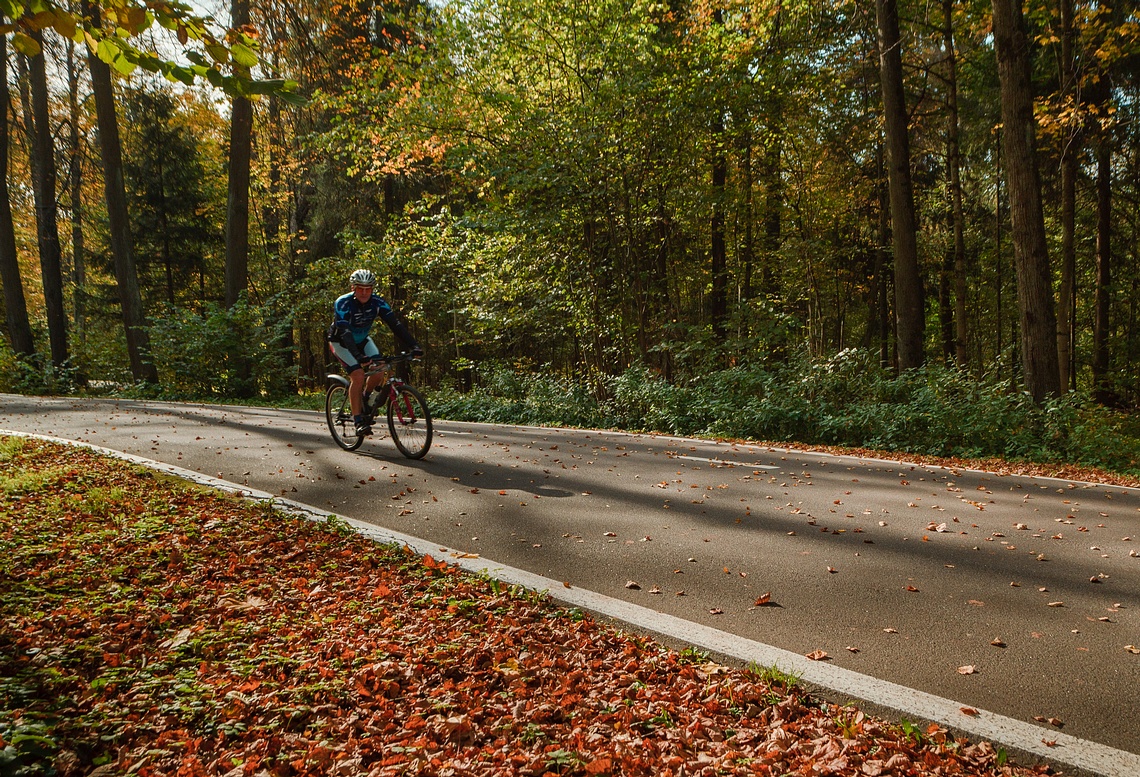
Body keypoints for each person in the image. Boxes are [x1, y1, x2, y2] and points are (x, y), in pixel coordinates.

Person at [327, 268, 423, 436]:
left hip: (362, 341)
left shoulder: (378, 303)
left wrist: (413, 346)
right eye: (360, 288)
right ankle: (358, 421)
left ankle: (366, 398)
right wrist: (358, 357)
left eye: (368, 289)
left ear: (372, 289)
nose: (364, 292)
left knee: (379, 370)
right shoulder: (342, 303)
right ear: (353, 288)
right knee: (357, 375)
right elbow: (345, 333)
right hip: (340, 342)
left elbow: (396, 325)